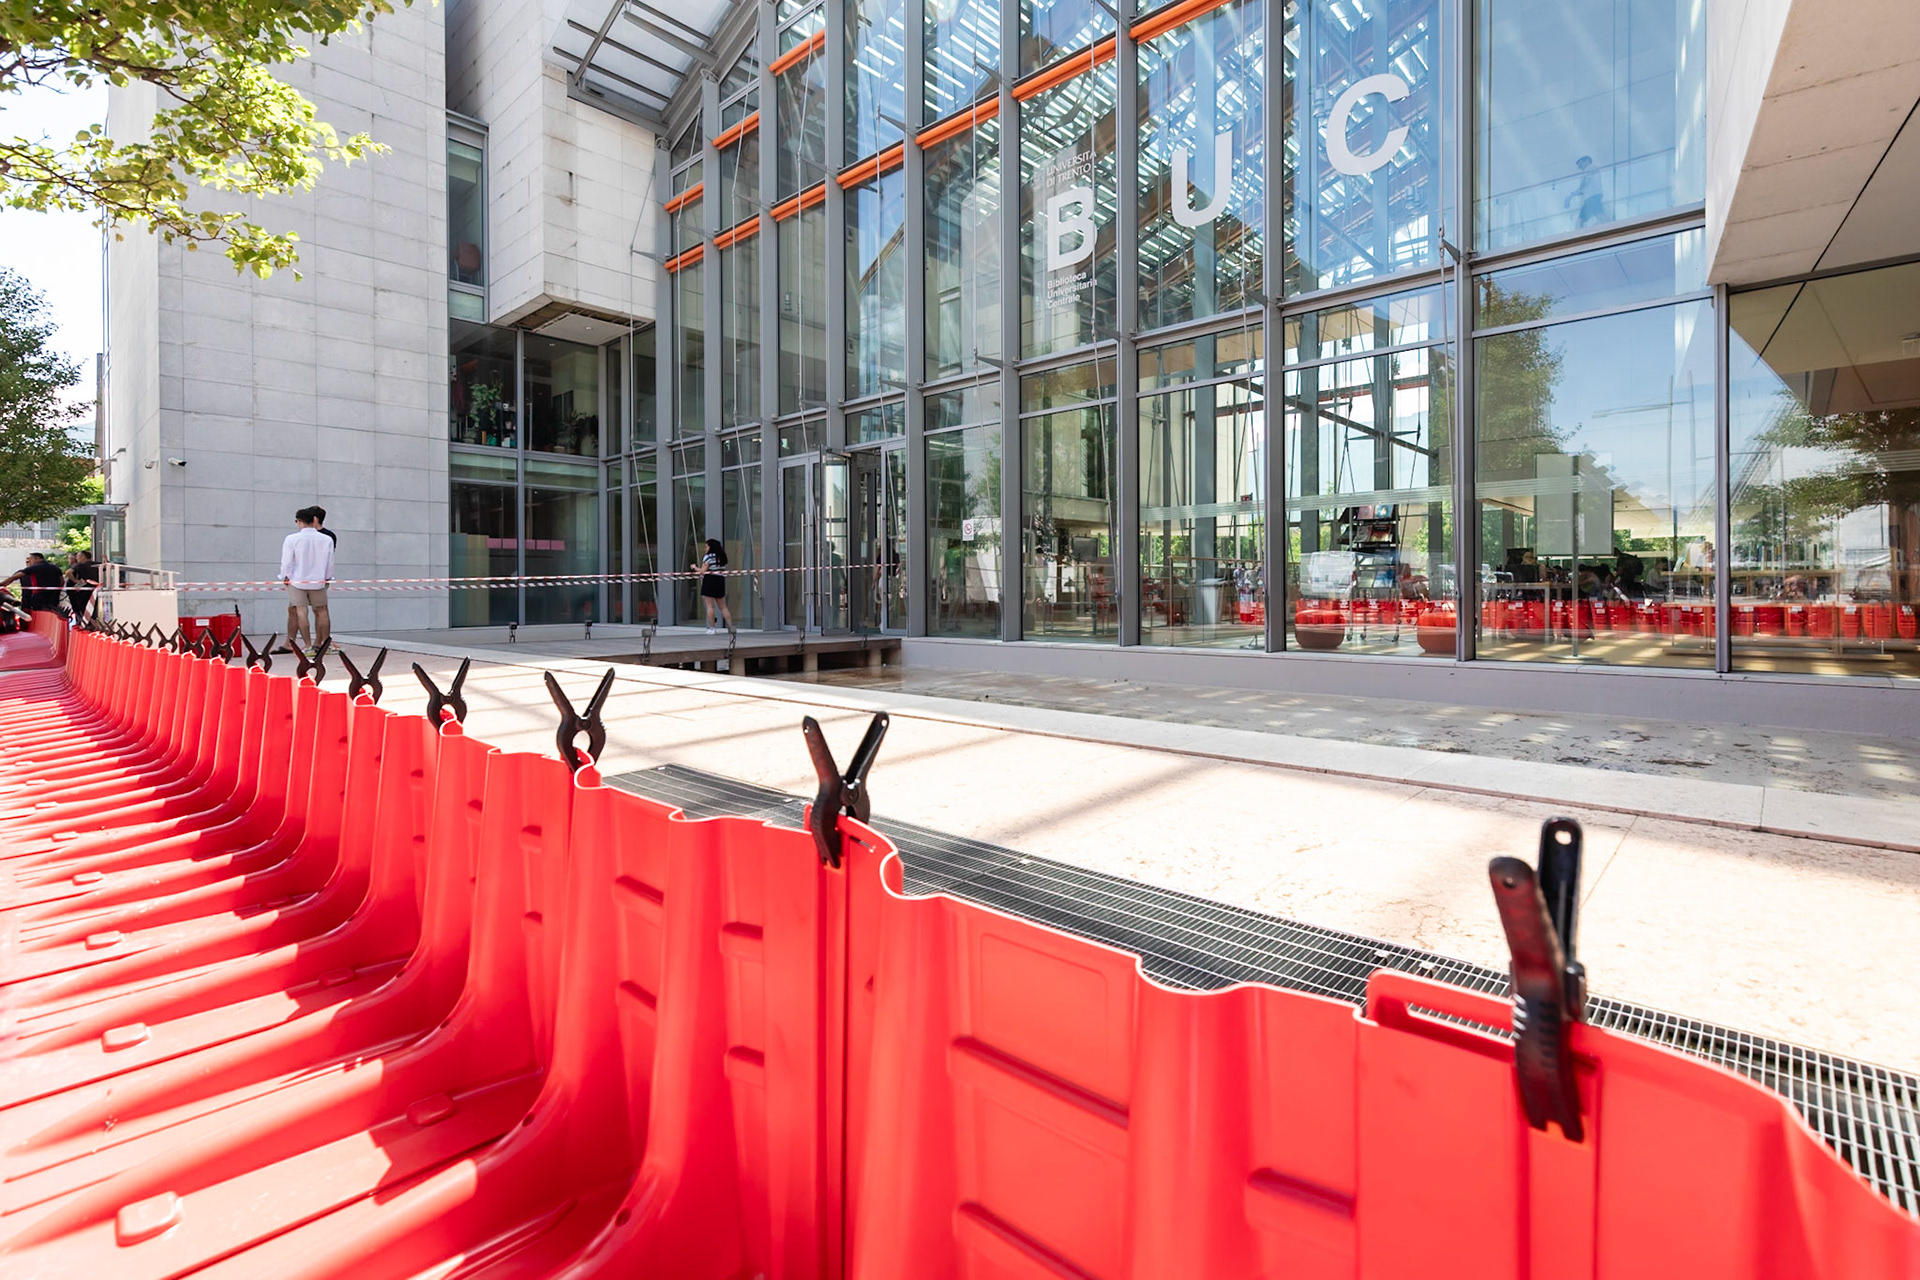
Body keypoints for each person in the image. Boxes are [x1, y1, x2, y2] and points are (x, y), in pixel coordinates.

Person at [279, 507, 336, 656]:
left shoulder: (291, 539)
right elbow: (330, 562)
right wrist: (327, 576)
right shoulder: (327, 539)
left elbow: (287, 561)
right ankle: (325, 644)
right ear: (314, 520)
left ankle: (308, 646)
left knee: (301, 611)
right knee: (322, 611)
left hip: (297, 580)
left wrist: (285, 576)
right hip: (318, 580)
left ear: (299, 521)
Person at [1, 552, 68, 613]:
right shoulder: (55, 568)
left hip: (39, 597)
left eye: (30, 559)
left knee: (38, 614)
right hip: (54, 596)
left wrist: (1, 584)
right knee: (52, 613)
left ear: (36, 558)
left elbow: (14, 577)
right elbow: (62, 581)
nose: (30, 561)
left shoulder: (34, 568)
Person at [693, 537, 734, 635]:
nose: (705, 548)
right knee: (723, 607)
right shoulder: (722, 556)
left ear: (710, 547)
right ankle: (731, 627)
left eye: (706, 546)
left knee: (710, 606)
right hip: (720, 580)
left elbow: (703, 571)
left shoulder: (708, 557)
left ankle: (712, 628)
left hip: (710, 580)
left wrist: (695, 568)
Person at [1566, 155, 1607, 228]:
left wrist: (1570, 196)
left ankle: (1606, 227)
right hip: (1592, 197)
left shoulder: (1590, 168)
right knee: (1586, 218)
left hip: (1591, 197)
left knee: (1583, 219)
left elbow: (1582, 186)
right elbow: (1583, 189)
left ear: (1586, 161)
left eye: (1580, 164)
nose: (1580, 167)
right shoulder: (1591, 170)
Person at [65, 549, 100, 621]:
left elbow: (68, 572)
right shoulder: (97, 564)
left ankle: (85, 624)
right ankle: (93, 623)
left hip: (83, 591)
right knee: (94, 609)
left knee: (83, 608)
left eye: (78, 556)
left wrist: (74, 580)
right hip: (95, 590)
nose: (77, 559)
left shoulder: (80, 566)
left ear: (83, 557)